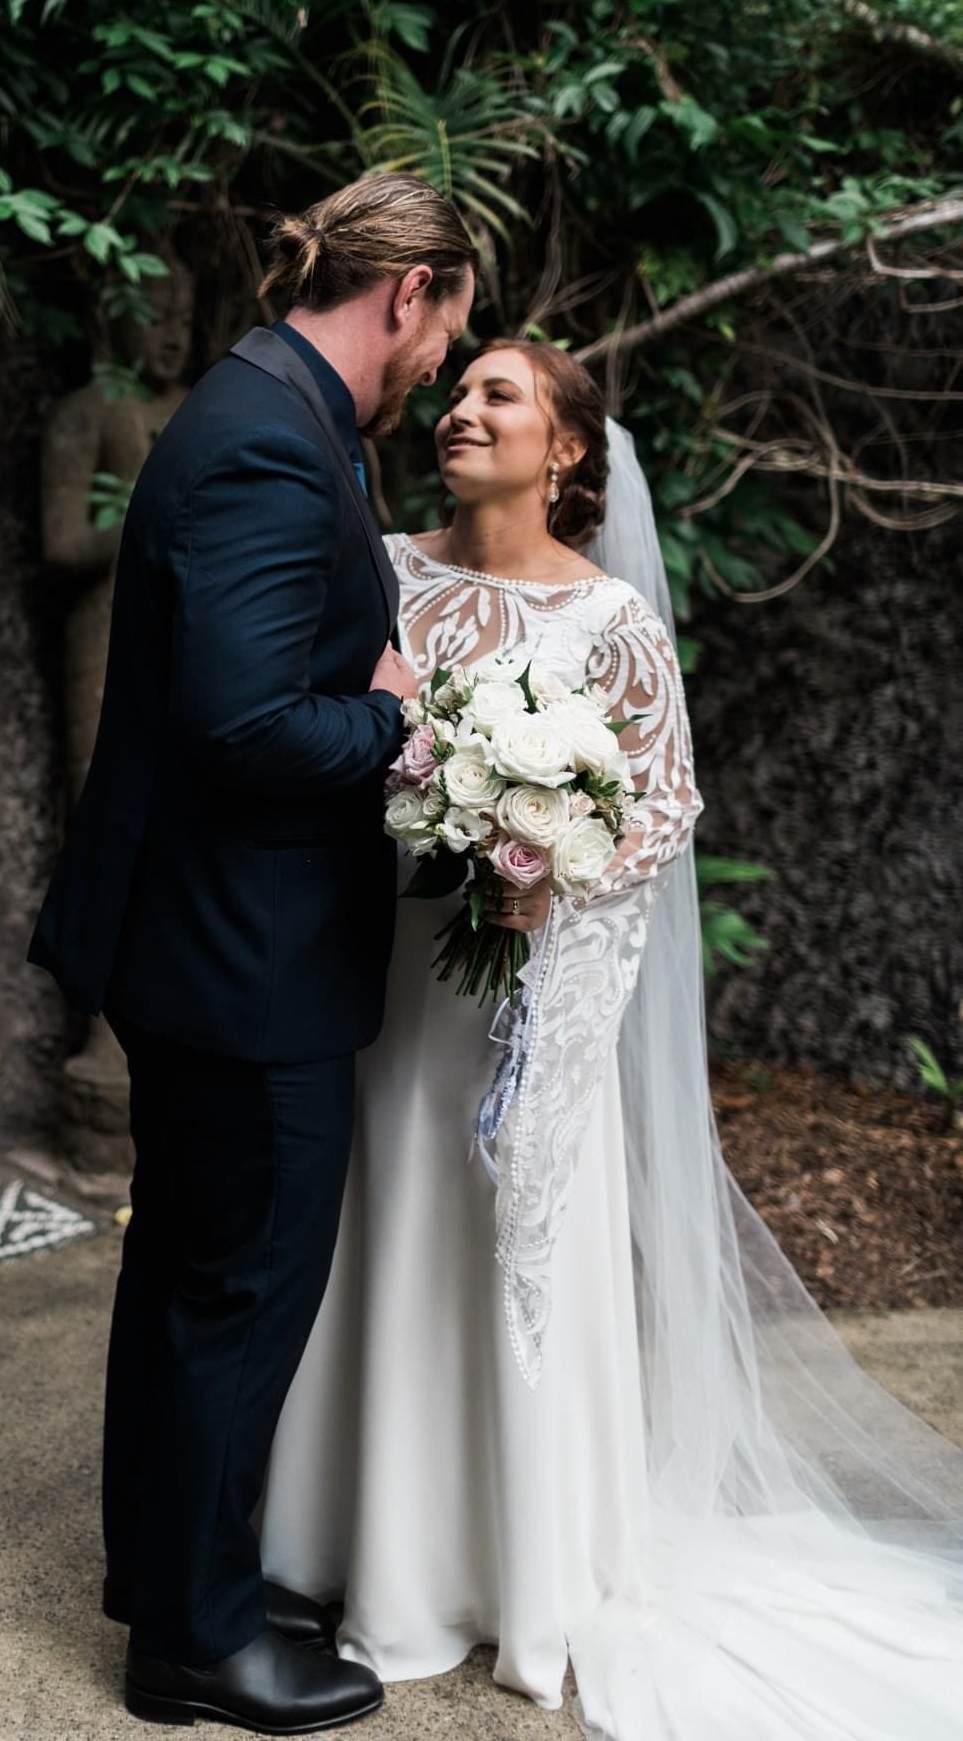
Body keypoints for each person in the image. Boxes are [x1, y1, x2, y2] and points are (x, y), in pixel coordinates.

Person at [260, 339, 963, 1740]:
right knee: (370, 1220)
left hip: (516, 990)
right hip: (375, 973)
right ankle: (340, 1548)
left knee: (498, 1227)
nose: (460, 411)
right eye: (457, 391)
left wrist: (549, 864)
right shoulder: (378, 572)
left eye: (498, 396)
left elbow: (663, 807)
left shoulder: (611, 620)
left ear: (567, 448)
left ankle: (508, 1566)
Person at [27, 172, 477, 1732]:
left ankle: (172, 1580)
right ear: (407, 291)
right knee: (236, 1289)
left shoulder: (272, 409)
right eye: (449, 326)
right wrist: (396, 719)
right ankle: (196, 1645)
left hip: (210, 939)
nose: (442, 361)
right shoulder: (271, 445)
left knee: (185, 1272)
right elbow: (242, 725)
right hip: (242, 959)